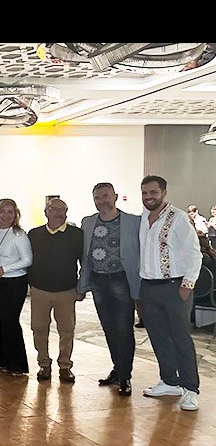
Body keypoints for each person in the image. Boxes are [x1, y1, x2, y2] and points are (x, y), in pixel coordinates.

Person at [140, 175, 201, 411]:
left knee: (180, 338)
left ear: (164, 193)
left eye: (153, 192)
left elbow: (193, 253)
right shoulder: (143, 217)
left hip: (174, 286)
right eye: (145, 193)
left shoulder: (179, 218)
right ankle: (169, 381)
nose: (148, 197)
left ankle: (190, 388)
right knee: (158, 336)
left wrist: (187, 286)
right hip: (148, 286)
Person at [78, 183, 141, 396]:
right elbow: (85, 256)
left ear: (115, 196)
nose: (101, 201)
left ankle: (125, 376)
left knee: (124, 329)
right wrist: (82, 284)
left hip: (122, 280)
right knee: (109, 329)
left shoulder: (133, 222)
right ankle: (118, 369)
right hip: (98, 281)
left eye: (105, 196)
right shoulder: (88, 222)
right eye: (97, 197)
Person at [27, 198, 83, 383]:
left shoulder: (76, 234)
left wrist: (82, 287)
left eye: (62, 210)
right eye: (53, 209)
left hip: (67, 291)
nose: (58, 213)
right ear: (46, 212)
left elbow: (84, 262)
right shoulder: (34, 234)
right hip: (40, 290)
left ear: (66, 212)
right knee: (39, 328)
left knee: (67, 329)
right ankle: (44, 363)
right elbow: (28, 261)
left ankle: (65, 366)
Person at [0, 198, 32, 376]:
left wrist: (4, 269)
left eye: (10, 212)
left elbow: (27, 260)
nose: (6, 215)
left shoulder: (19, 235)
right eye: (2, 211)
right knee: (3, 321)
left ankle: (18, 364)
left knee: (11, 321)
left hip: (15, 282)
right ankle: (5, 361)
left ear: (15, 214)